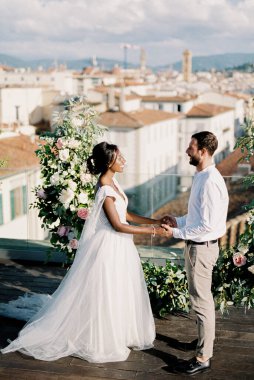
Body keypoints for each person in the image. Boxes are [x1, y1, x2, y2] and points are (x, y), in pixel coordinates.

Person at [1, 141, 167, 363]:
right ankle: (103, 336)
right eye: (120, 158)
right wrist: (153, 230)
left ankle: (120, 331)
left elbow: (126, 214)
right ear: (109, 163)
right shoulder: (105, 189)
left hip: (122, 246)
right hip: (109, 246)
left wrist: (154, 220)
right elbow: (117, 225)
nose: (124, 161)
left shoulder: (114, 182)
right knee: (106, 291)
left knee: (119, 289)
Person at [162, 131, 229, 375]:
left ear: (202, 151)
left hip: (202, 248)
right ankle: (204, 342)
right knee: (200, 299)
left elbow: (208, 226)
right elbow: (197, 217)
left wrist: (175, 234)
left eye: (191, 147)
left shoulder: (210, 181)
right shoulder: (202, 175)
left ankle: (203, 357)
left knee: (201, 302)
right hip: (198, 247)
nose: (187, 151)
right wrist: (178, 222)